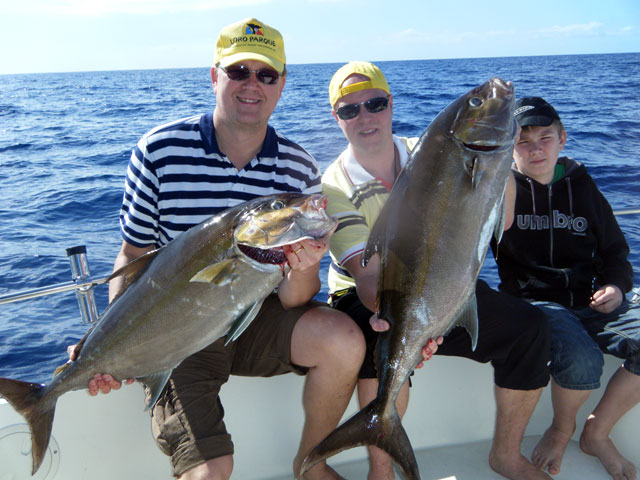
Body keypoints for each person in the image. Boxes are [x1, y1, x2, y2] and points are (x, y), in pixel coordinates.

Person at [74, 18, 369, 480]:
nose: (253, 85)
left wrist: (305, 266)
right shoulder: (159, 151)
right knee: (211, 470)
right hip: (178, 329)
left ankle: (311, 463)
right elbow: (133, 258)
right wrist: (113, 344)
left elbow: (294, 299)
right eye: (239, 72)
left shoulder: (297, 165)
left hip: (256, 313)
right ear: (215, 77)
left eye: (267, 75)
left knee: (345, 339)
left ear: (281, 85)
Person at [322, 61, 553, 480]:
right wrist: (415, 324)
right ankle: (382, 469)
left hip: (445, 288)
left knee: (530, 329)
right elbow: (370, 278)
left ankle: (506, 454)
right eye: (349, 109)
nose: (365, 116)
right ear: (335, 118)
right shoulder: (334, 184)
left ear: (391, 104)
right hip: (368, 296)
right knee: (378, 340)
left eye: (373, 103)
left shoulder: (426, 150)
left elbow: (499, 224)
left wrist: (500, 165)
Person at [492, 96, 640, 480]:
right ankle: (562, 429)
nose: (536, 148)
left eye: (546, 137)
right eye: (523, 141)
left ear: (563, 139)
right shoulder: (498, 191)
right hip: (533, 302)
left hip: (589, 296)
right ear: (509, 148)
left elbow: (615, 251)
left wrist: (617, 286)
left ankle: (597, 433)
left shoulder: (583, 185)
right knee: (583, 359)